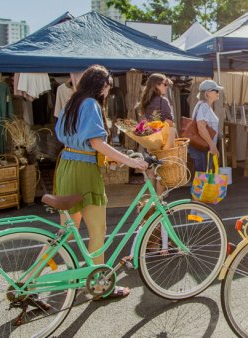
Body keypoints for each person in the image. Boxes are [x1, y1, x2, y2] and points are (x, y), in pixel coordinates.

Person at [55, 64, 148, 299]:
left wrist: (112, 159)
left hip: (66, 165)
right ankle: (98, 287)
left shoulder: (73, 102)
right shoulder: (91, 105)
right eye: (108, 86)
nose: (108, 91)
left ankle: (29, 280)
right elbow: (97, 143)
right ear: (102, 85)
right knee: (97, 230)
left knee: (65, 233)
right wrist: (130, 161)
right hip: (83, 170)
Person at [135, 73, 176, 196]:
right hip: (162, 142)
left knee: (152, 171)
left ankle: (152, 201)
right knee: (162, 172)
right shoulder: (163, 101)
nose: (166, 87)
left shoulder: (145, 102)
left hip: (150, 141)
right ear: (157, 85)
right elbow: (169, 122)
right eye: (165, 84)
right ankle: (159, 202)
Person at [189, 80, 221, 174]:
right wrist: (212, 146)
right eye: (216, 91)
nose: (218, 93)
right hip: (202, 147)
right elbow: (201, 128)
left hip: (201, 147)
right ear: (208, 93)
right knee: (202, 180)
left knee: (201, 180)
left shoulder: (203, 105)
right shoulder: (204, 106)